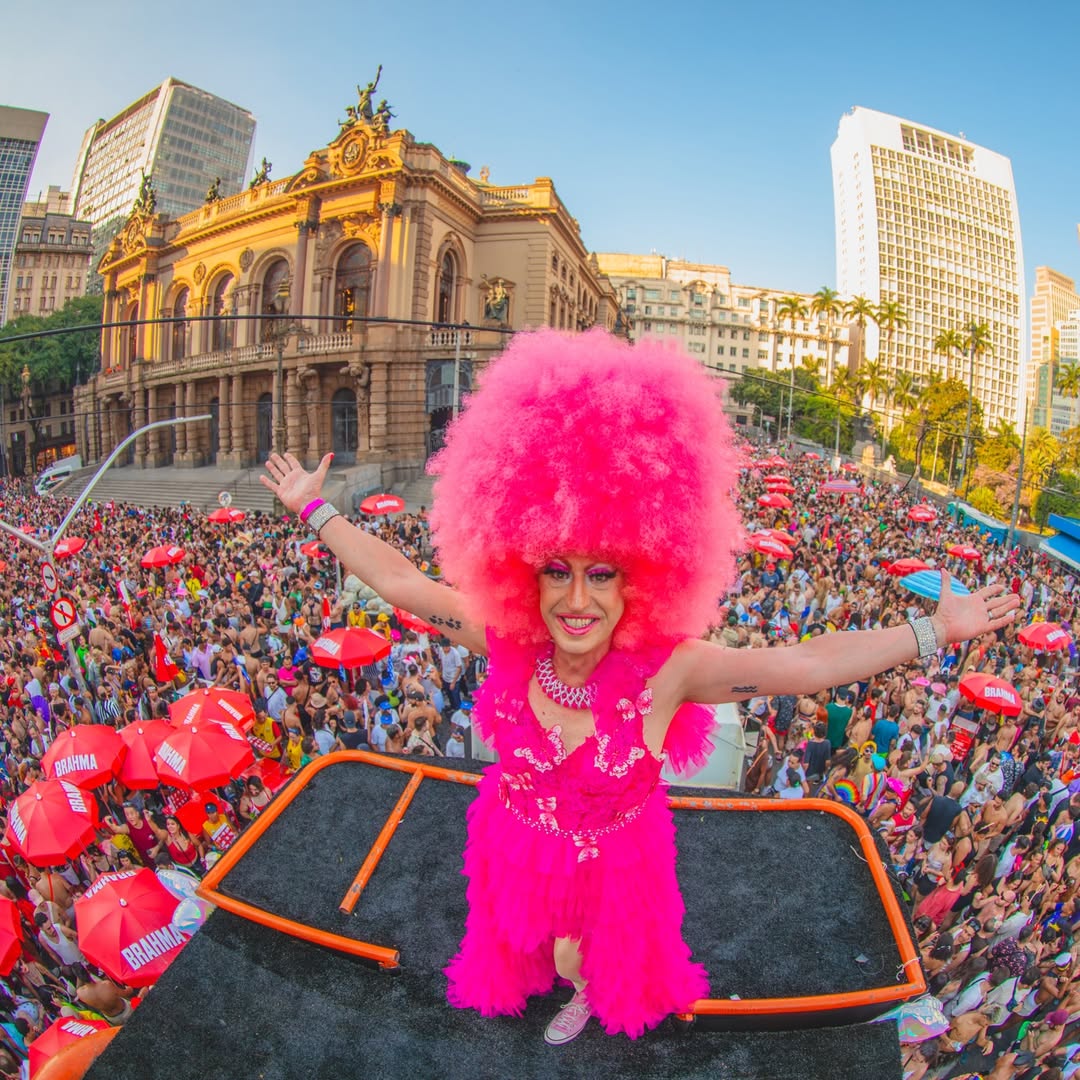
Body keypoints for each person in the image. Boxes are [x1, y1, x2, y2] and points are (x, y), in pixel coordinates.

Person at [260, 328, 1019, 1045]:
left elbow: (807, 664)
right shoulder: (509, 640)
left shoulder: (672, 670)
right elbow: (399, 580)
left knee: (583, 965)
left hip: (618, 871)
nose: (576, 599)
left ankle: (592, 987)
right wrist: (313, 507)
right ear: (522, 567)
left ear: (645, 578)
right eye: (556, 570)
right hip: (515, 844)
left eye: (603, 573)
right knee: (520, 947)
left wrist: (937, 631)